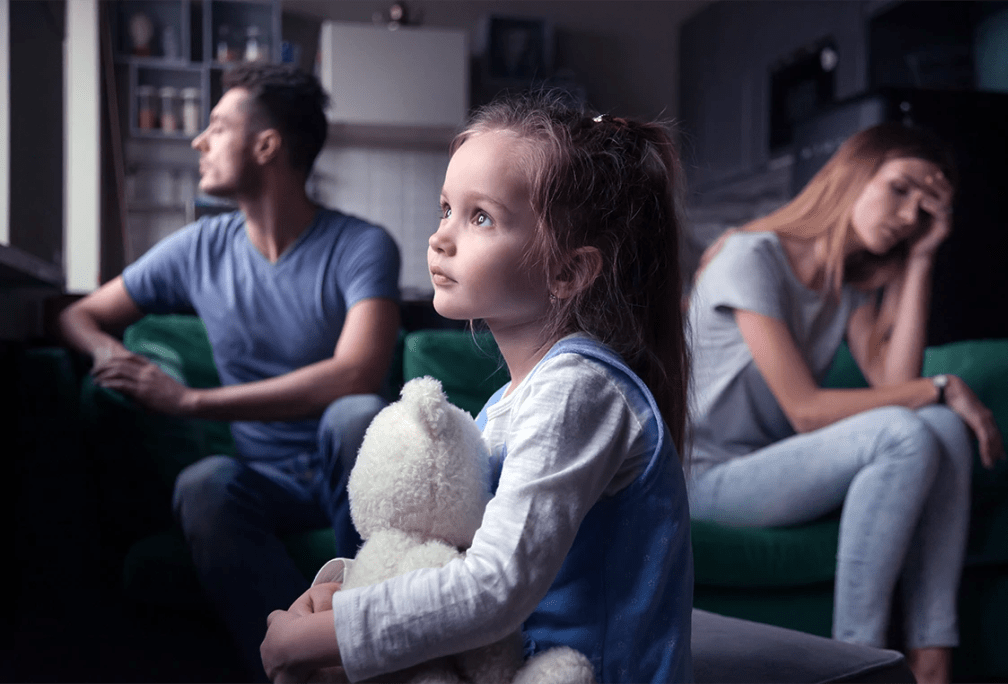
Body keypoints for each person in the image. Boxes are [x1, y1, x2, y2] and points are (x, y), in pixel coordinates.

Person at [260, 93, 695, 683]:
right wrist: (342, 591)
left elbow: (496, 586)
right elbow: (454, 554)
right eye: (445, 210)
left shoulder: (578, 392)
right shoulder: (506, 406)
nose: (440, 237)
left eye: (480, 217)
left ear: (567, 271)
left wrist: (318, 635)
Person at [58, 63, 401, 680]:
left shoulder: (361, 244)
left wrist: (189, 401)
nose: (199, 141)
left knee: (359, 416)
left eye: (217, 127)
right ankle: (298, 666)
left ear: (266, 146)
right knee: (202, 483)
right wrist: (111, 356)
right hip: (263, 479)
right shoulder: (200, 248)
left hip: (343, 472)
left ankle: (367, 639)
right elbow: (80, 315)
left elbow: (356, 374)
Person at [685, 122, 1005, 684]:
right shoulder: (749, 256)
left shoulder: (844, 287)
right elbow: (804, 410)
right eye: (900, 189)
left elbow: (897, 383)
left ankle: (933, 657)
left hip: (767, 469)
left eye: (924, 210)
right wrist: (944, 385)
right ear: (853, 175)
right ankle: (857, 661)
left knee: (942, 428)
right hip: (702, 478)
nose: (909, 216)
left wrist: (922, 258)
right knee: (911, 425)